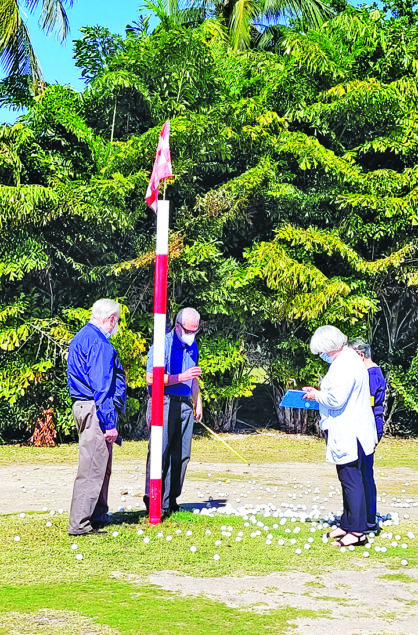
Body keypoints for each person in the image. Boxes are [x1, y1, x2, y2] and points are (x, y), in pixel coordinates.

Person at [303, 325, 377, 547]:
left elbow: (337, 400)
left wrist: (316, 395)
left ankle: (357, 532)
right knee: (348, 479)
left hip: (349, 430)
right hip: (354, 428)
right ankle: (347, 523)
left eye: (321, 352)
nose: (322, 357)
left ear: (329, 348)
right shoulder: (349, 360)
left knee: (351, 479)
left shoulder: (344, 364)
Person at [67, 299, 126, 536]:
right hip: (95, 408)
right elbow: (101, 386)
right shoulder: (99, 344)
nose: (117, 325)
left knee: (101, 465)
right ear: (110, 319)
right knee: (92, 467)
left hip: (86, 406)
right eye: (117, 320)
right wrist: (110, 423)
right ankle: (80, 523)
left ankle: (98, 514)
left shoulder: (81, 337)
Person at [144, 307, 203, 516]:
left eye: (196, 330)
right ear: (178, 326)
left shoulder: (192, 344)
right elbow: (151, 378)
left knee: (182, 454)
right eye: (189, 330)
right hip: (165, 402)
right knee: (161, 451)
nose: (192, 334)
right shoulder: (163, 345)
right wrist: (181, 376)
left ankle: (170, 500)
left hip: (185, 404)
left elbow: (193, 377)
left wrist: (198, 402)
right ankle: (153, 500)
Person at [348, 338, 386, 533]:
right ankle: (363, 517)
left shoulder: (371, 375)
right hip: (367, 424)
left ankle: (368, 519)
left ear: (360, 355)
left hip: (369, 425)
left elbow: (365, 401)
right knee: (362, 472)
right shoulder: (371, 373)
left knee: (364, 473)